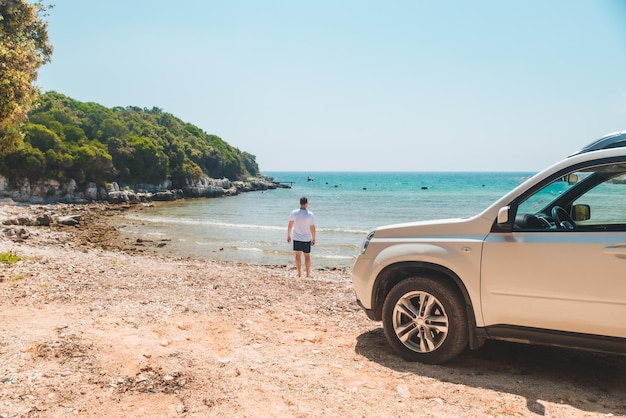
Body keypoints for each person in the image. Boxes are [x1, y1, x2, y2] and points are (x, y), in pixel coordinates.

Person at [287, 196, 316, 277]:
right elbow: (312, 227)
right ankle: (307, 274)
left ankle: (299, 273)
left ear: (300, 203)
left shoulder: (294, 212)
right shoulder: (310, 214)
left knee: (297, 255)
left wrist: (288, 235)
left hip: (296, 237)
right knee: (307, 256)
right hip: (306, 238)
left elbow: (290, 224)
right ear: (306, 204)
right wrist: (314, 238)